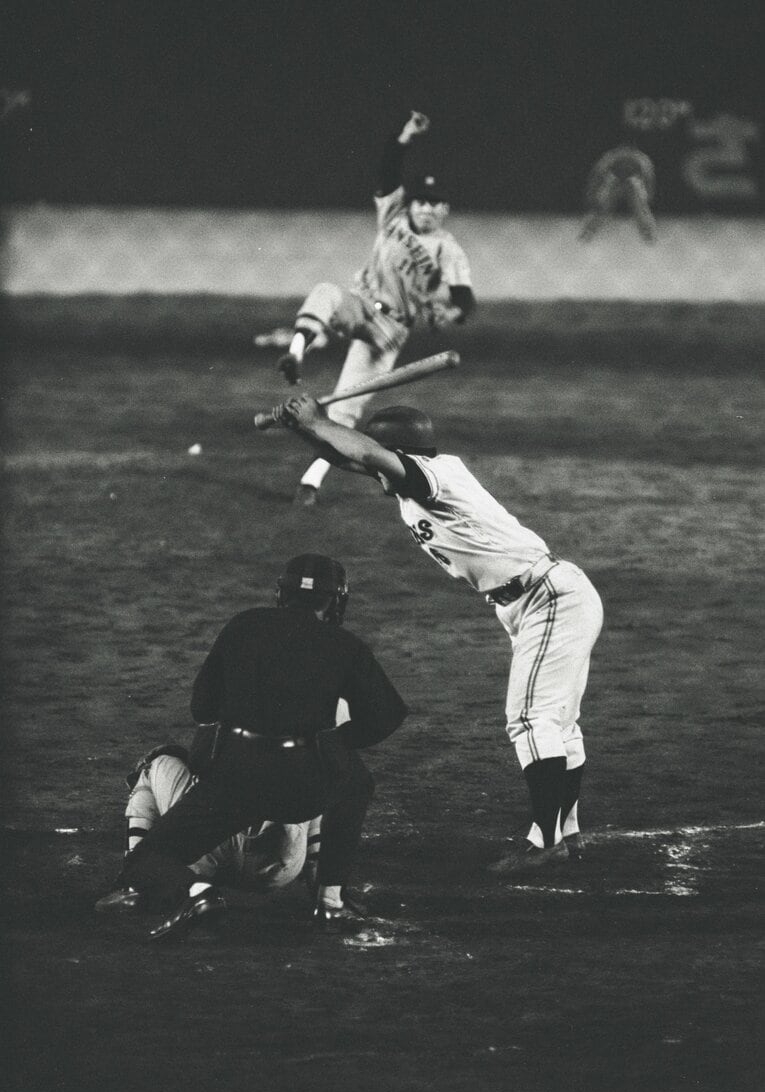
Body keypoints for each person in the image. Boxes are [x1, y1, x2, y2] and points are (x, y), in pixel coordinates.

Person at [271, 400, 604, 874]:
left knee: (532, 720)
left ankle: (546, 842)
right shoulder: (414, 477)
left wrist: (318, 420)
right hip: (538, 600)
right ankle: (565, 833)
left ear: (399, 452)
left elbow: (367, 454)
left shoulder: (434, 478)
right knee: (559, 723)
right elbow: (352, 458)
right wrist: (302, 428)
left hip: (548, 599)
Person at [115, 553, 407, 940]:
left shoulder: (244, 624)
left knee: (145, 859)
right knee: (356, 783)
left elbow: (202, 707)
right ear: (336, 601)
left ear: (281, 593)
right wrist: (333, 743)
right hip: (301, 788)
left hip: (234, 781)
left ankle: (196, 892)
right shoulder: (345, 644)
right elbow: (387, 715)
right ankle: (330, 899)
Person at [267, 109, 475, 506]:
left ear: (445, 210)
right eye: (421, 201)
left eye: (435, 204)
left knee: (345, 408)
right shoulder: (393, 215)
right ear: (411, 204)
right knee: (326, 292)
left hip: (388, 331)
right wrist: (405, 135)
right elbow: (388, 171)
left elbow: (464, 299)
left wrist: (449, 315)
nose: (426, 208)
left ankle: (310, 482)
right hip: (360, 304)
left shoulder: (449, 251)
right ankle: (295, 352)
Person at [94, 742, 322, 912]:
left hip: (207, 850)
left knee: (154, 763)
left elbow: (202, 755)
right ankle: (325, 896)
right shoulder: (317, 703)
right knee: (320, 778)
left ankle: (134, 885)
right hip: (278, 863)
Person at [578, 145, 657, 243]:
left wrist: (647, 194)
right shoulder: (611, 157)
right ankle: (587, 232)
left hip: (631, 184)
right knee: (601, 209)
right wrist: (595, 192)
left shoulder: (641, 159)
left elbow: (648, 177)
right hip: (615, 182)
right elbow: (598, 174)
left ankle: (649, 235)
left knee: (640, 209)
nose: (625, 152)